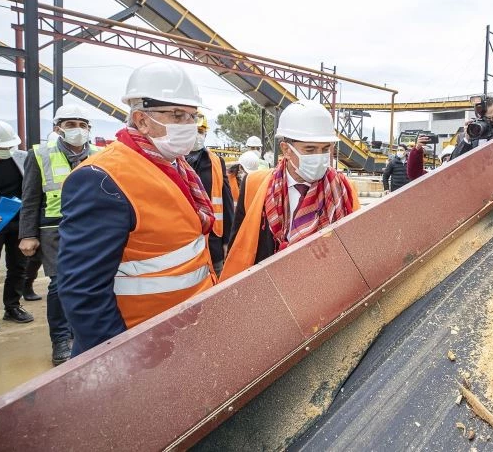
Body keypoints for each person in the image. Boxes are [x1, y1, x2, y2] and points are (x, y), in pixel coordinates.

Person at [58, 62, 216, 356]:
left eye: (192, 116)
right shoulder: (102, 178)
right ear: (142, 120)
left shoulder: (174, 165)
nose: (189, 124)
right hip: (140, 341)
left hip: (184, 330)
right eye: (177, 115)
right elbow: (83, 290)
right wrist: (118, 357)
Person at [223, 100, 360, 278]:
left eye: (326, 149)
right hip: (269, 284)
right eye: (310, 149)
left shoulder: (344, 189)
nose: (319, 157)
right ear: (286, 149)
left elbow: (354, 246)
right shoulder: (254, 184)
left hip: (323, 283)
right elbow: (239, 244)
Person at [18, 103, 99, 365]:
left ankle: (81, 331)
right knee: (60, 283)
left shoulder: (100, 154)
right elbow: (30, 198)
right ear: (58, 128)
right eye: (70, 124)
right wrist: (27, 234)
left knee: (91, 280)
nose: (77, 129)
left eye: (82, 125)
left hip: (92, 227)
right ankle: (61, 339)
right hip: (53, 228)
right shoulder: (40, 154)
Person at [0, 119, 33, 335]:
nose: (6, 151)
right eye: (0, 147)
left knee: (19, 267)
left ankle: (13, 306)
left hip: (19, 223)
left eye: (9, 146)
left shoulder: (21, 158)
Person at [186, 114, 233, 275]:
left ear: (205, 134)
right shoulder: (173, 161)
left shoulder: (216, 162)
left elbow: (226, 202)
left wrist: (227, 240)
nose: (197, 135)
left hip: (214, 243)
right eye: (193, 130)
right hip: (186, 243)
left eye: (200, 131)